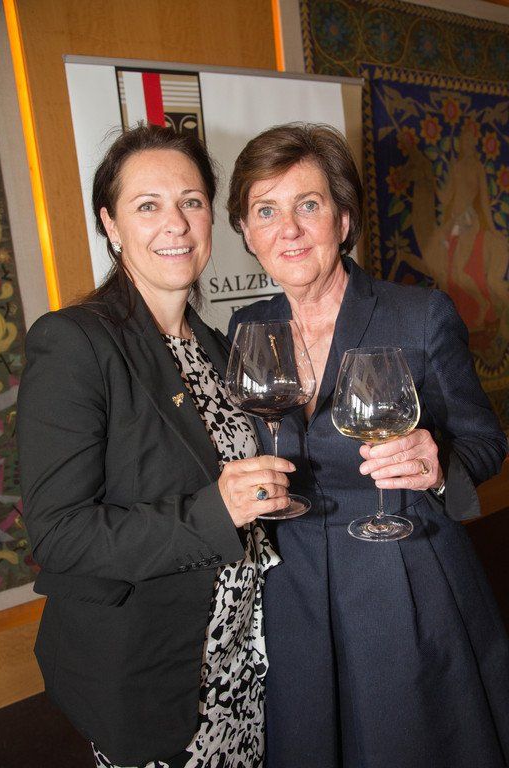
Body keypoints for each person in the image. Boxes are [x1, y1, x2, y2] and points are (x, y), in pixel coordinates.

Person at [227, 122, 509, 768]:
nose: (288, 229)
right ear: (245, 231)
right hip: (291, 584)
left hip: (403, 576)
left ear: (344, 219)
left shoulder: (419, 314)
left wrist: (440, 464)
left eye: (309, 205)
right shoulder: (248, 326)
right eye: (265, 211)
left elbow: (486, 440)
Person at [17, 124, 294, 768]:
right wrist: (216, 511)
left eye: (191, 201)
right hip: (157, 675)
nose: (176, 223)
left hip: (245, 663)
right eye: (148, 205)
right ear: (110, 225)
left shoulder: (218, 346)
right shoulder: (75, 343)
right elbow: (59, 535)